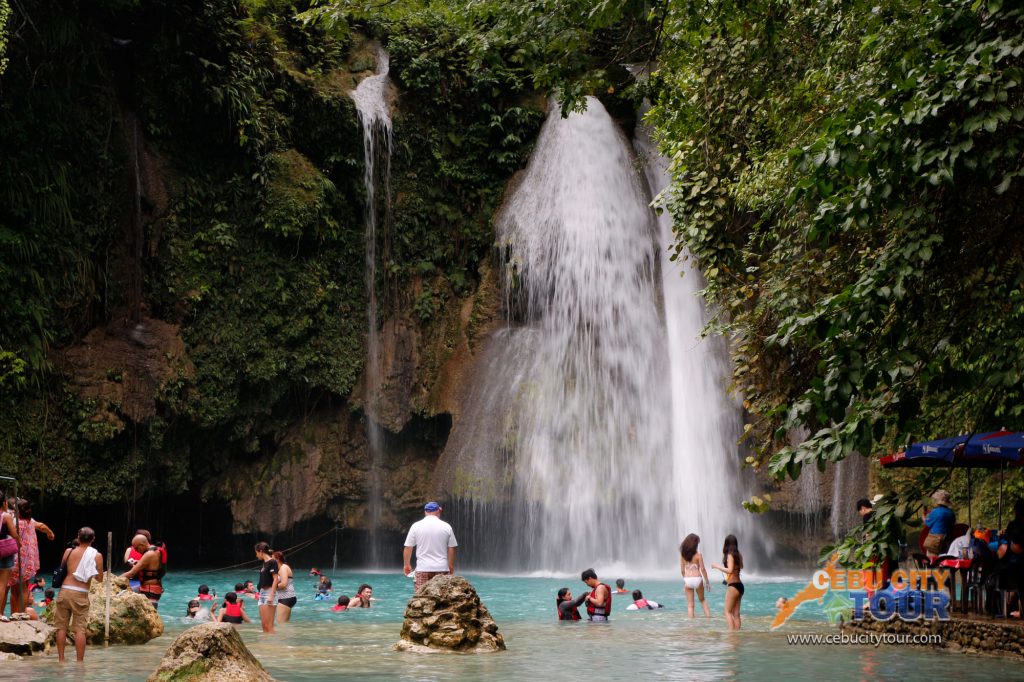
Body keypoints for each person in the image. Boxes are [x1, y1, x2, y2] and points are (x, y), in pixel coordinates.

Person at [54, 527, 104, 662]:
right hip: (80, 593)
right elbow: (99, 579)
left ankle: (61, 659)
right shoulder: (96, 555)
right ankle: (80, 662)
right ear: (93, 539)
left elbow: (62, 568)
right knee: (80, 630)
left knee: (61, 627)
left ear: (78, 537)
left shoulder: (68, 551)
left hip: (65, 590)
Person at [6, 498, 54, 615]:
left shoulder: (13, 522)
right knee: (24, 588)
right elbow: (42, 526)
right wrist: (50, 533)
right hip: (28, 561)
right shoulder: (30, 521)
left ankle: (14, 614)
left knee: (14, 590)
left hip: (15, 559)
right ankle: (22, 614)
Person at [403, 501, 458, 591]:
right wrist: (450, 565)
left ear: (425, 512)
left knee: (420, 598)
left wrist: (406, 565)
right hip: (442, 568)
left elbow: (408, 547)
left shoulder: (416, 526)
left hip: (422, 569)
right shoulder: (446, 526)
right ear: (439, 511)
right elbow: (452, 547)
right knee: (443, 598)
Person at [120, 535, 163, 609]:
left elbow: (131, 573)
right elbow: (151, 565)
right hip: (150, 588)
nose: (136, 551)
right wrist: (139, 562)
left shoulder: (149, 554)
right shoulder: (156, 550)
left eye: (136, 548)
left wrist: (115, 579)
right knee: (122, 594)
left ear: (142, 545)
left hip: (150, 591)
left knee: (150, 616)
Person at [711, 534, 744, 630]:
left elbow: (729, 570)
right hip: (740, 586)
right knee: (736, 614)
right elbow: (741, 567)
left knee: (727, 612)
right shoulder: (738, 555)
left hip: (733, 586)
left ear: (726, 544)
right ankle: (737, 635)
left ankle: (732, 635)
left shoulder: (730, 555)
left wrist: (717, 566)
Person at [680, 533, 712, 618]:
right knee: (702, 600)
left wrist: (685, 582)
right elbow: (703, 569)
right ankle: (709, 620)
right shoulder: (698, 556)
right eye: (697, 544)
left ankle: (691, 625)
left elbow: (682, 571)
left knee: (690, 605)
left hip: (687, 579)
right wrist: (707, 582)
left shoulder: (682, 556)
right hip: (697, 578)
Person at [0, 496, 22, 617]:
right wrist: (19, 542)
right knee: (2, 584)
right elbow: (14, 534)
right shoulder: (6, 516)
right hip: (3, 552)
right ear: (4, 503)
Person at [922, 489, 955, 558]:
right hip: (947, 541)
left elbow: (927, 524)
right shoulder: (951, 513)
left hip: (935, 542)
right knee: (943, 560)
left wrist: (924, 518)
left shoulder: (935, 511)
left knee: (932, 561)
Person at [255, 541, 278, 633]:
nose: (256, 555)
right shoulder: (264, 563)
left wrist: (271, 595)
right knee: (264, 626)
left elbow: (275, 579)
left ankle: (275, 645)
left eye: (256, 553)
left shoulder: (272, 562)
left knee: (269, 626)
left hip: (269, 593)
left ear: (260, 551)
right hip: (262, 594)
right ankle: (266, 645)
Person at [274, 550, 297, 622]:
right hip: (287, 597)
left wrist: (272, 587)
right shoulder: (279, 569)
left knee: (280, 624)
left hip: (286, 598)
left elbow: (284, 584)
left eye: (272, 559)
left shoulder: (283, 568)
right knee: (285, 624)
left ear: (277, 559)